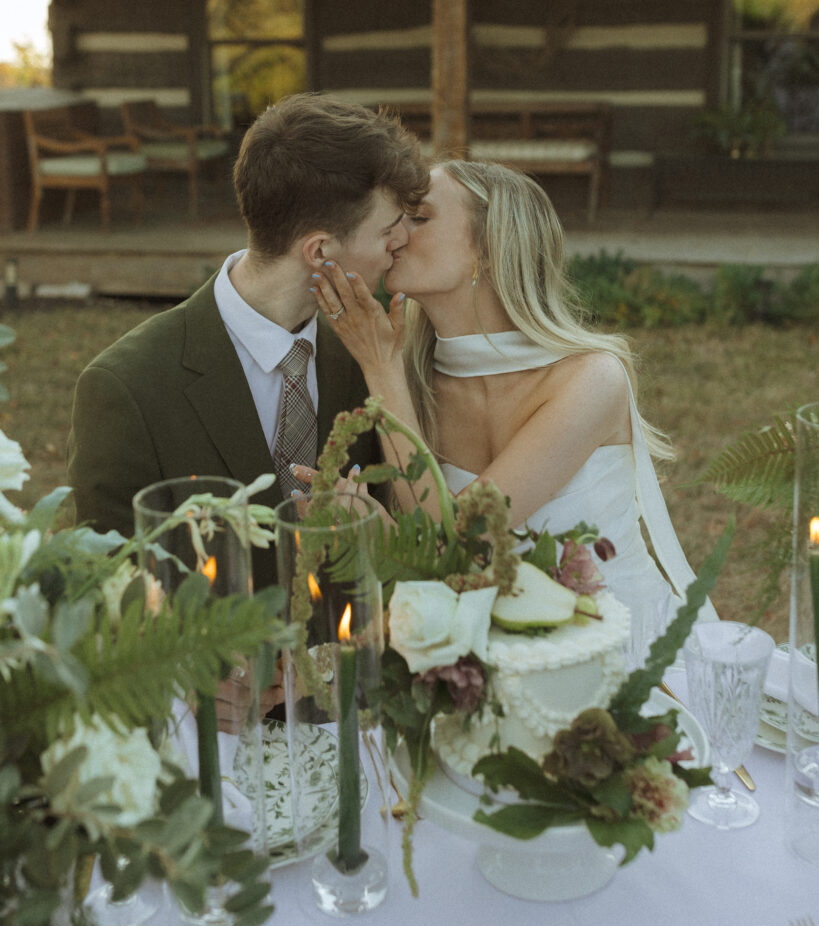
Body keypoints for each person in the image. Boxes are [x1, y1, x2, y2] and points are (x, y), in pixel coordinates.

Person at [66, 93, 428, 725]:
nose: (402, 242)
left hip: (366, 715)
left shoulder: (376, 355)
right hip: (216, 741)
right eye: (386, 228)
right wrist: (183, 676)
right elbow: (99, 578)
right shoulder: (126, 385)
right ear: (320, 252)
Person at [305, 159, 716, 671]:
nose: (394, 235)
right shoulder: (410, 378)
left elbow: (457, 540)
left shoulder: (590, 378)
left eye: (419, 218)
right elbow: (431, 558)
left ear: (489, 250)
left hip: (623, 658)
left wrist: (381, 369)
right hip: (477, 663)